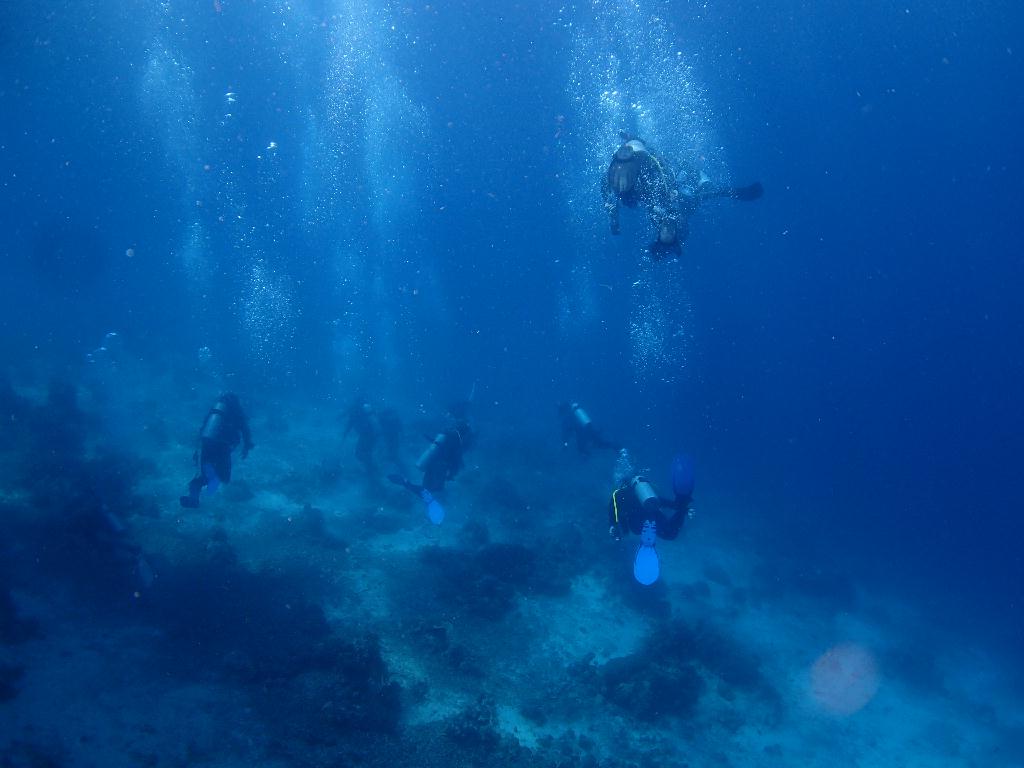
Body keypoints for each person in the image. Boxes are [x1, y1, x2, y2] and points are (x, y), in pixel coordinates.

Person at [602, 133, 763, 258]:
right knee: (694, 184)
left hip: (656, 177)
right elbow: (715, 193)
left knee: (629, 196)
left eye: (663, 233)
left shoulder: (655, 216)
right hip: (677, 177)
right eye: (671, 232)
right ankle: (639, 141)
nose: (667, 228)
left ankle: (638, 142)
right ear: (679, 227)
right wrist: (742, 193)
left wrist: (613, 215)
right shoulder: (688, 205)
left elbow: (622, 191)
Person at [608, 454, 695, 585]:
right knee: (670, 534)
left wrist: (613, 526)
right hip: (653, 513)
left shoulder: (618, 494)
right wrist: (682, 508)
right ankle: (650, 534)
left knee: (636, 530)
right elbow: (661, 501)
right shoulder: (646, 492)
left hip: (638, 521)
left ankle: (646, 539)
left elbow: (612, 510)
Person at [180, 392, 254, 509]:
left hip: (206, 445)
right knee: (222, 476)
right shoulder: (236, 412)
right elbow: (245, 431)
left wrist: (198, 451)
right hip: (222, 448)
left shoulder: (215, 412)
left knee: (201, 474)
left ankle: (194, 497)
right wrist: (246, 447)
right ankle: (217, 498)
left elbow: (203, 430)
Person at [342, 394, 378, 474]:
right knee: (365, 453)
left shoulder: (355, 412)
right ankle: (372, 470)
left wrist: (345, 435)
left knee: (360, 453)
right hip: (372, 435)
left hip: (366, 435)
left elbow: (349, 424)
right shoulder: (366, 411)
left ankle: (371, 472)